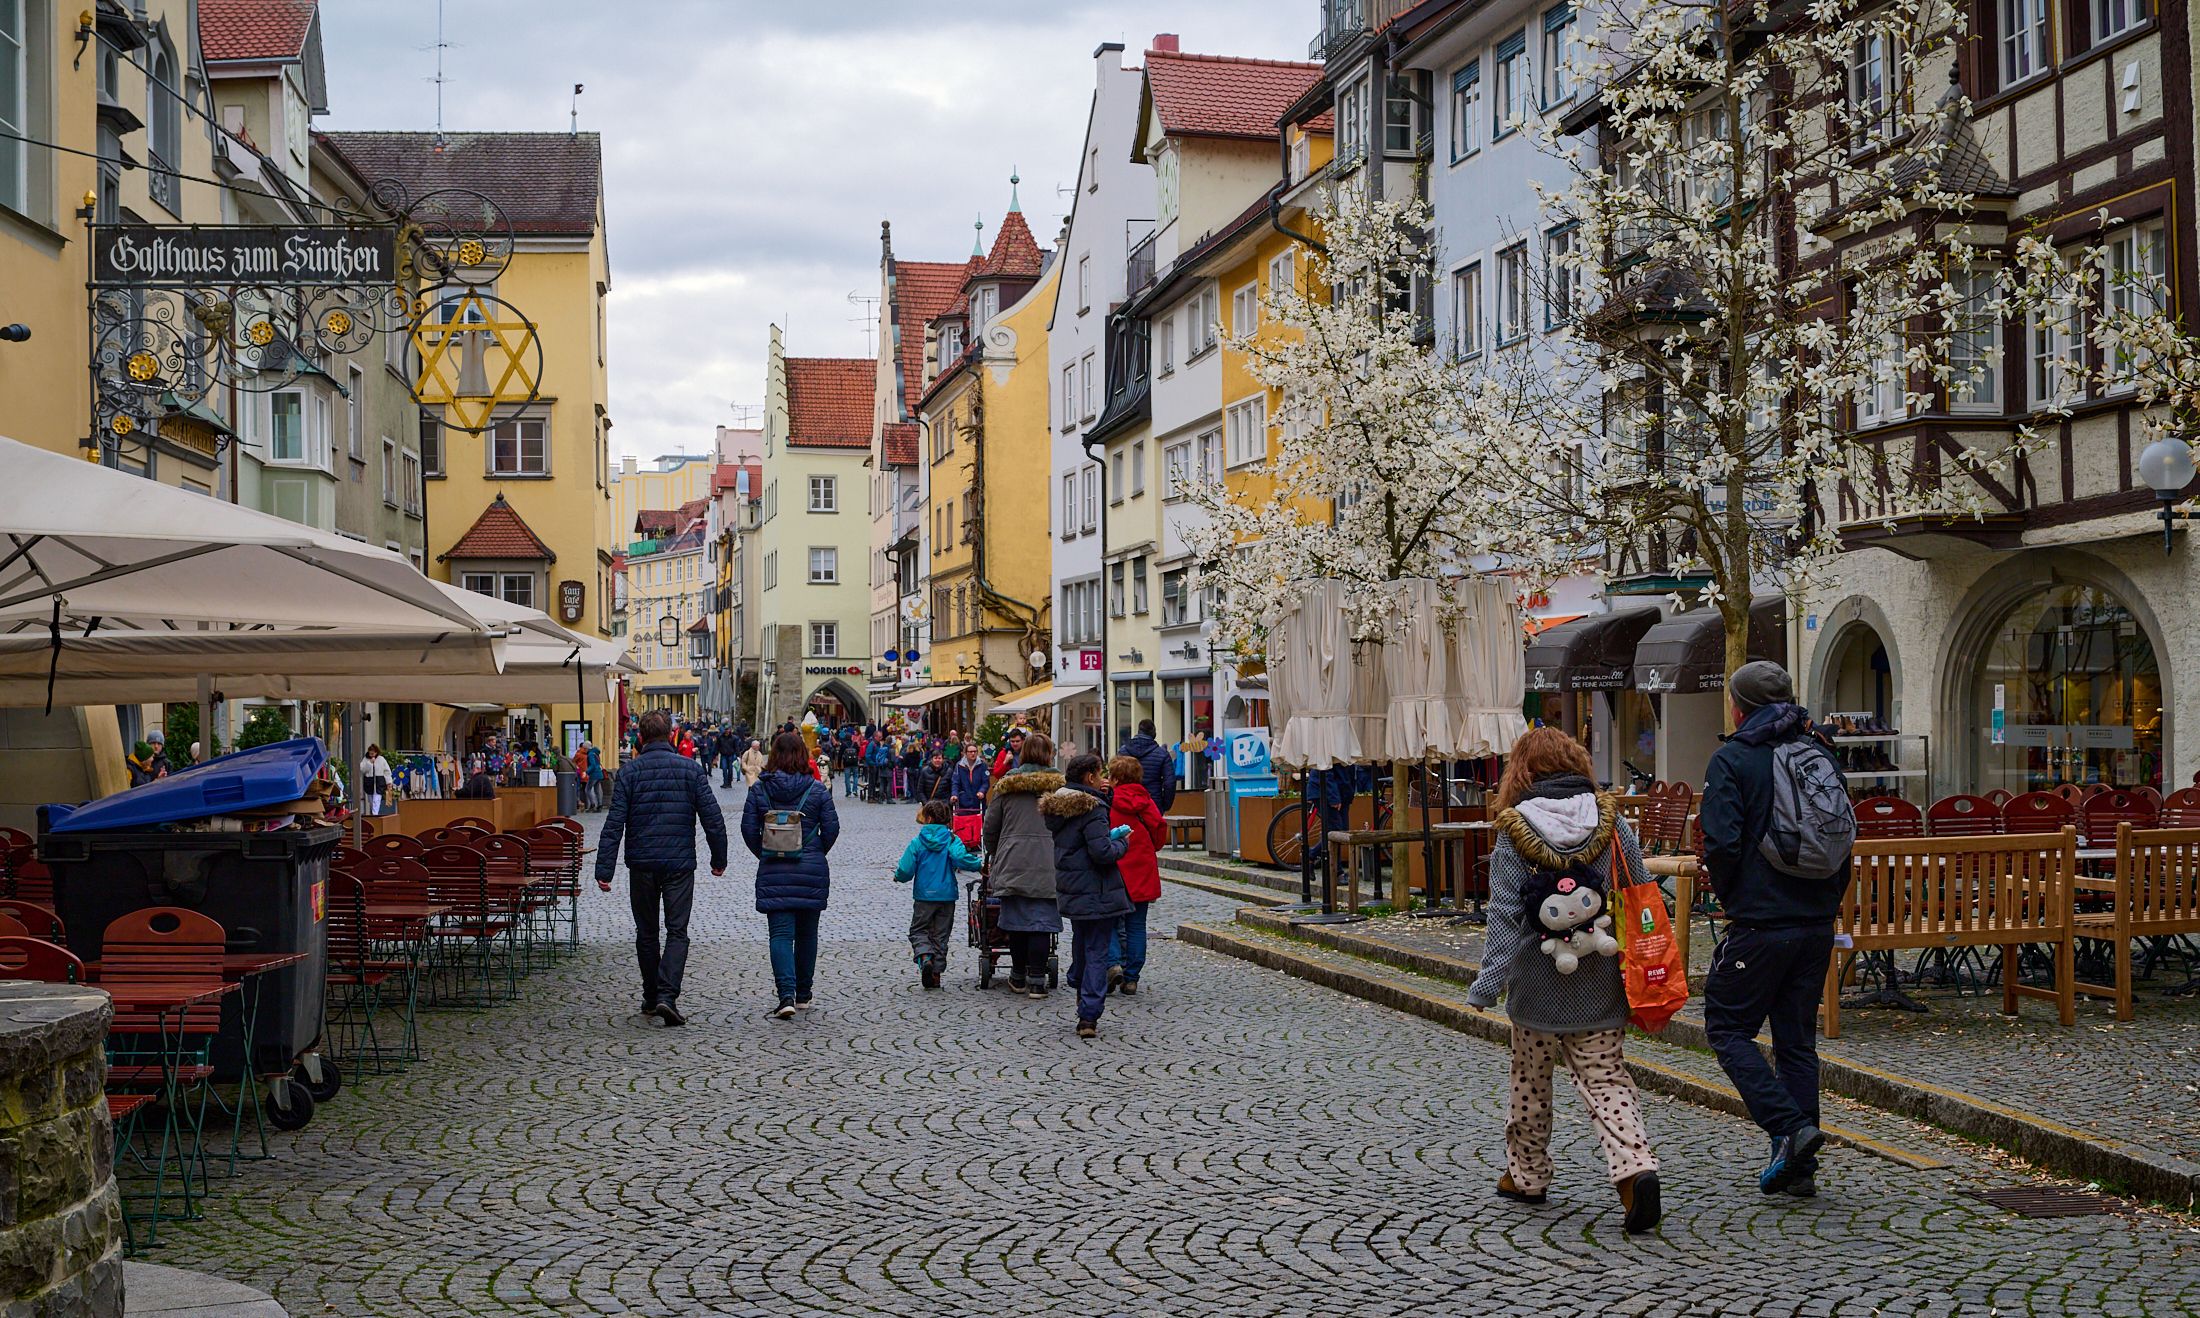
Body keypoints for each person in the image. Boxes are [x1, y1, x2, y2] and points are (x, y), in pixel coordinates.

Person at [1463, 727, 1661, 1235]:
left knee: (1530, 1082)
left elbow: (1506, 917)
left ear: (1522, 773)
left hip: (1536, 984)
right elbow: (1638, 887)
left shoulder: (1514, 830)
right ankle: (1634, 1169)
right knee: (1607, 1078)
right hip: (1599, 975)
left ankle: (1527, 1175)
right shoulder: (1612, 821)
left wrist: (1487, 985)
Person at [1697, 660, 1845, 1198]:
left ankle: (1790, 1129)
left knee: (1727, 1028)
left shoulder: (1733, 759)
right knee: (1796, 1043)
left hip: (1759, 924)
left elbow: (1722, 843)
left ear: (1739, 707)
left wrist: (1733, 896)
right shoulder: (1820, 754)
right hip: (1815, 924)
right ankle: (1797, 1170)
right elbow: (1843, 836)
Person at [593, 708, 728, 1028]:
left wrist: (604, 870)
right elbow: (713, 819)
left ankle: (652, 995)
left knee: (647, 931)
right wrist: (718, 859)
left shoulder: (629, 772)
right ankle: (666, 994)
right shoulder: (690, 770)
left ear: (640, 737)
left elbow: (614, 824)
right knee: (677, 931)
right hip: (679, 863)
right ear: (670, 735)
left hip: (642, 862)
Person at [741, 731, 840, 1019]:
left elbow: (748, 830)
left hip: (775, 868)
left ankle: (786, 996)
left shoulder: (760, 790)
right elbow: (832, 829)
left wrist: (767, 853)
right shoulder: (818, 790)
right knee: (808, 934)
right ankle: (804, 993)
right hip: (810, 867)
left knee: (781, 935)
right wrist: (815, 851)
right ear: (801, 756)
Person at [1044, 753, 1133, 1038]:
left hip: (1072, 887)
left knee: (1082, 943)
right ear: (1088, 777)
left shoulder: (1059, 808)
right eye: (1098, 774)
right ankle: (1089, 1014)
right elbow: (1102, 853)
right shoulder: (1091, 808)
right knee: (1097, 950)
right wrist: (1121, 844)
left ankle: (1080, 987)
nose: (1102, 778)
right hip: (1097, 889)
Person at [983, 732, 1065, 999]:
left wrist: (997, 853)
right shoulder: (1060, 789)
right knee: (1041, 922)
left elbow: (990, 827)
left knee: (1016, 922)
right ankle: (1038, 981)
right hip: (1048, 863)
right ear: (1049, 754)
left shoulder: (1007, 786)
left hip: (1013, 859)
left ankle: (1018, 975)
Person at [894, 798, 983, 989]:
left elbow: (906, 869)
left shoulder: (918, 842)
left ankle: (925, 957)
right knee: (941, 936)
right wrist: (979, 865)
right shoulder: (951, 840)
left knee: (918, 930)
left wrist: (898, 877)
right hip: (946, 896)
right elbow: (961, 858)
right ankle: (936, 974)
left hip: (924, 896)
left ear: (928, 818)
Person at [1105, 754, 1167, 995]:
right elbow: (1159, 826)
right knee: (1137, 925)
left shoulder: (1109, 799)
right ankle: (1131, 978)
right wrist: (1152, 846)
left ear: (1116, 777)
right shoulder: (1145, 799)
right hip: (1141, 865)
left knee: (1109, 921)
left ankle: (1113, 964)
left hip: (1115, 866)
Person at [1118, 718, 1178, 814]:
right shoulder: (1162, 754)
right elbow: (1169, 783)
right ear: (1153, 732)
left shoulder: (1123, 751)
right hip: (1153, 802)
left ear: (1138, 731)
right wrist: (1165, 805)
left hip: (1127, 801)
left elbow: (1116, 777)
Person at [950, 742, 990, 815]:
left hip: (978, 800)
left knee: (978, 823)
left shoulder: (982, 765)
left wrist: (982, 791)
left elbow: (986, 782)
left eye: (975, 751)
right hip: (964, 802)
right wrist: (954, 794)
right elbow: (955, 782)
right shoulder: (959, 765)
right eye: (971, 752)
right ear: (966, 753)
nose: (973, 753)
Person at [358, 744, 393, 817]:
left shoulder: (381, 759)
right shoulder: (365, 759)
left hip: (379, 782)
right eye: (370, 753)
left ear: (376, 752)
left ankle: (375, 815)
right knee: (371, 801)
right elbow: (362, 770)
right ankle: (374, 814)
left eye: (373, 753)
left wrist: (389, 782)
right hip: (369, 782)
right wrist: (370, 763)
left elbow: (387, 771)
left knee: (376, 800)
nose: (372, 755)